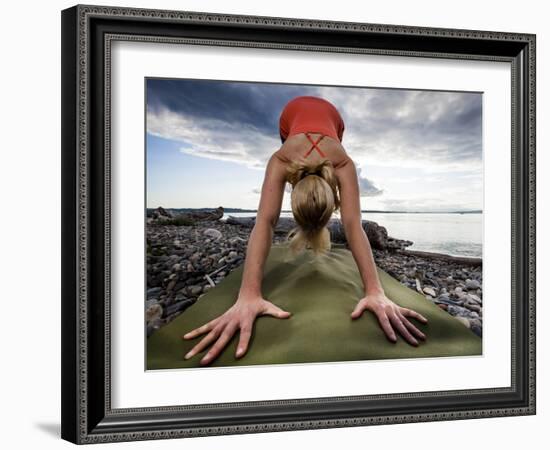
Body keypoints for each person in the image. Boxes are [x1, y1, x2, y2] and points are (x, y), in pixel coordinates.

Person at [182, 95, 428, 365]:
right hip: (291, 120)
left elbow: (266, 221)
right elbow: (351, 224)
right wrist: (248, 295)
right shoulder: (294, 158)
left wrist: (376, 292)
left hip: (333, 121)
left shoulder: (329, 161)